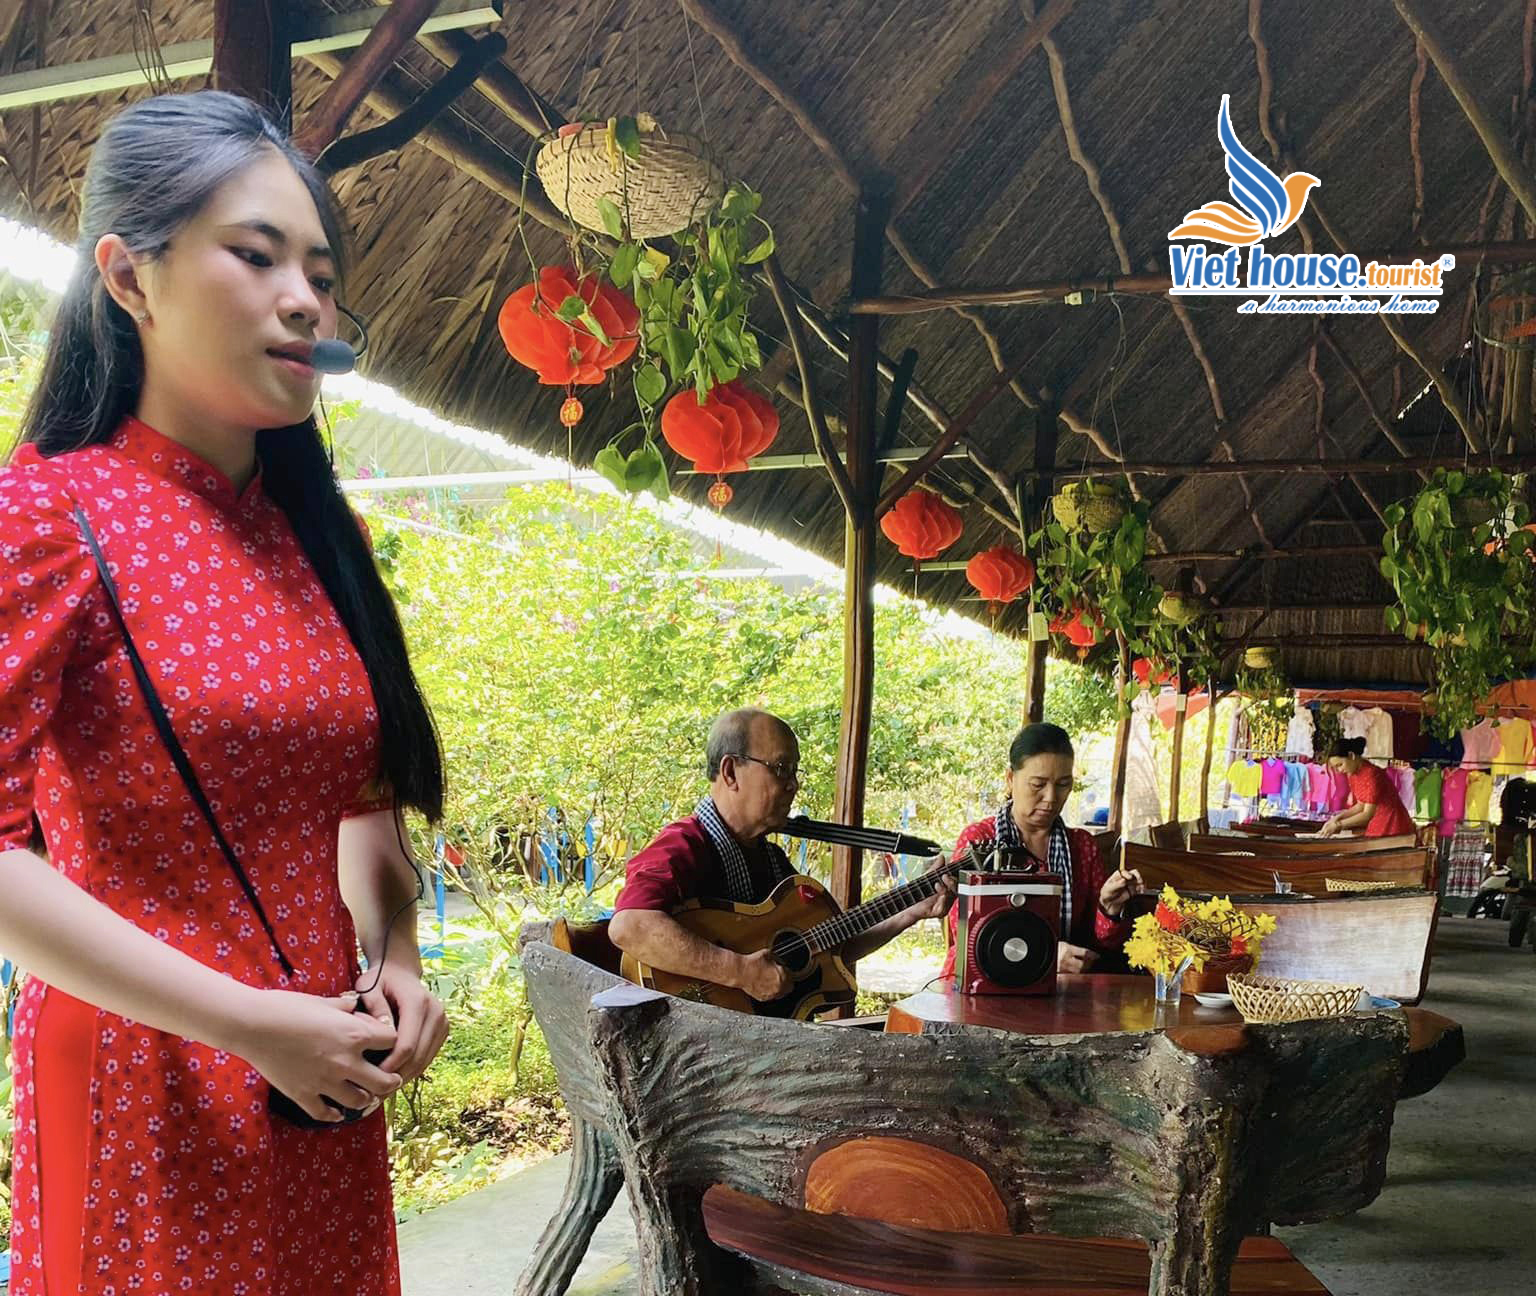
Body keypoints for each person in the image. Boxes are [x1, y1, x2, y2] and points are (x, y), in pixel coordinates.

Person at [0, 92, 449, 1294]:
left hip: (320, 1074)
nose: (304, 300)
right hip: (143, 1079)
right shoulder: (46, 514)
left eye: (321, 274)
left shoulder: (320, 540)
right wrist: (244, 1021)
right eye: (255, 256)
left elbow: (362, 809)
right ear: (128, 279)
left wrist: (400, 958)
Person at [609, 708, 955, 1002]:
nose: (793, 784)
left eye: (794, 770)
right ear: (730, 772)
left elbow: (831, 947)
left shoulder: (771, 859)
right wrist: (739, 971)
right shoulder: (684, 845)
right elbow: (629, 925)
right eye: (780, 768)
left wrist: (910, 911)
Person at [942, 723, 1143, 979]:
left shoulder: (1081, 846)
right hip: (983, 983)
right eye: (1038, 784)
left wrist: (1108, 908)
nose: (1051, 797)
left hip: (1062, 988)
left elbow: (1101, 945)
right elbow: (965, 932)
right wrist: (1043, 954)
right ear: (1010, 779)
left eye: (1063, 784)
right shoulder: (980, 840)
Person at [1319, 736, 1415, 838]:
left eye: (1340, 765)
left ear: (1351, 756)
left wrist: (1339, 825)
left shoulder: (1372, 774)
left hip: (1393, 825)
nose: (1339, 770)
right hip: (1378, 823)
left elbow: (1367, 814)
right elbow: (1361, 805)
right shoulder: (1353, 775)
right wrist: (1336, 819)